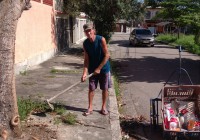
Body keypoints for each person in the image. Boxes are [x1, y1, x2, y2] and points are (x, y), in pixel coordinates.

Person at [81, 23, 111, 116]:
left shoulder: (101, 39)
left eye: (90, 30)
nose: (88, 32)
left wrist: (99, 68)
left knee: (104, 88)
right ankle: (90, 107)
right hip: (92, 70)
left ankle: (103, 107)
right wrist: (84, 73)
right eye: (86, 31)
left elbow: (107, 55)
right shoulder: (85, 43)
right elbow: (86, 59)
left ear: (93, 30)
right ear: (85, 33)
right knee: (91, 88)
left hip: (104, 68)